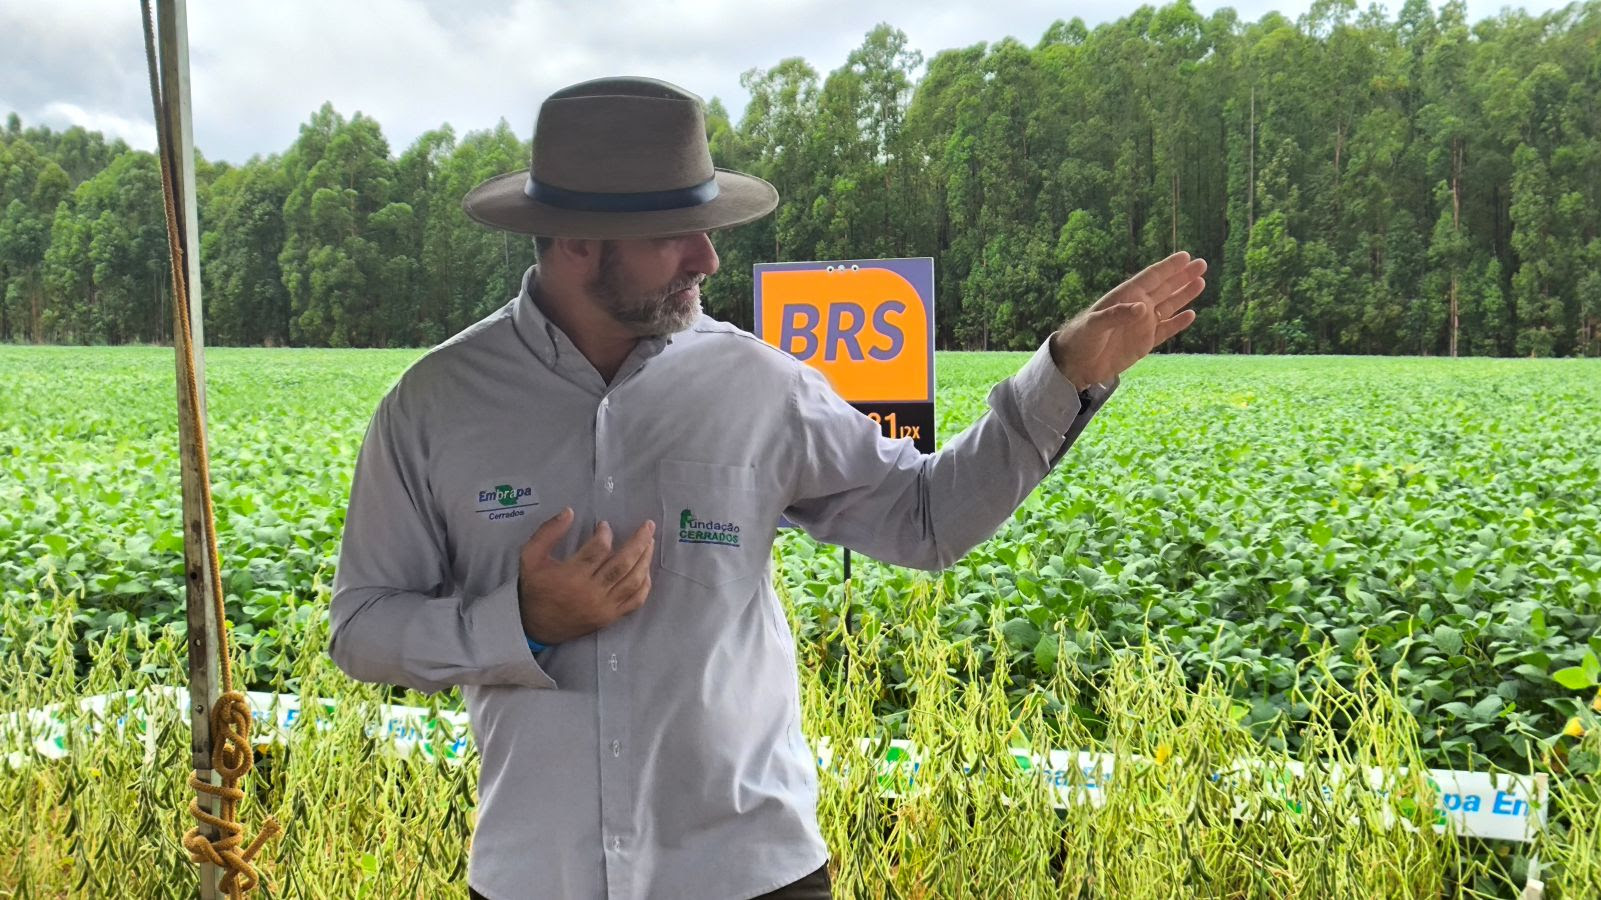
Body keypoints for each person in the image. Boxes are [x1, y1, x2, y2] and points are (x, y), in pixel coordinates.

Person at [328, 76, 1205, 900]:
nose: (708, 257)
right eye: (675, 232)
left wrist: (1062, 376)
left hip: (752, 871)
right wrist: (519, 623)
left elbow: (925, 519)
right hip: (535, 871)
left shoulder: (761, 387)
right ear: (578, 239)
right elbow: (362, 628)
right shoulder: (435, 405)